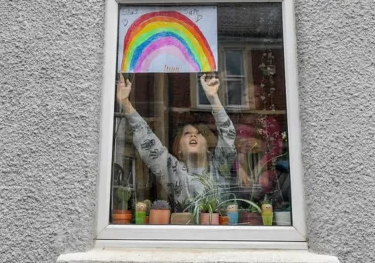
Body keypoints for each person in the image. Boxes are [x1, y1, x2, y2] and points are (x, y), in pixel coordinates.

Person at [116, 73, 237, 205]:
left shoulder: (219, 167)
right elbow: (149, 144)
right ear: (178, 149)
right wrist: (125, 103)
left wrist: (214, 98)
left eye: (199, 133)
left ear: (208, 147)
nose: (193, 135)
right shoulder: (174, 171)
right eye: (186, 134)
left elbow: (228, 136)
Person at [235, 83, 284, 193]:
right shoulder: (237, 122)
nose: (249, 98)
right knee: (242, 187)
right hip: (243, 167)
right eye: (245, 95)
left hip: (265, 167)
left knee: (262, 185)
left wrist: (261, 164)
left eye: (255, 96)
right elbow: (230, 150)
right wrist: (239, 168)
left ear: (262, 100)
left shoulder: (270, 122)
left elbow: (276, 149)